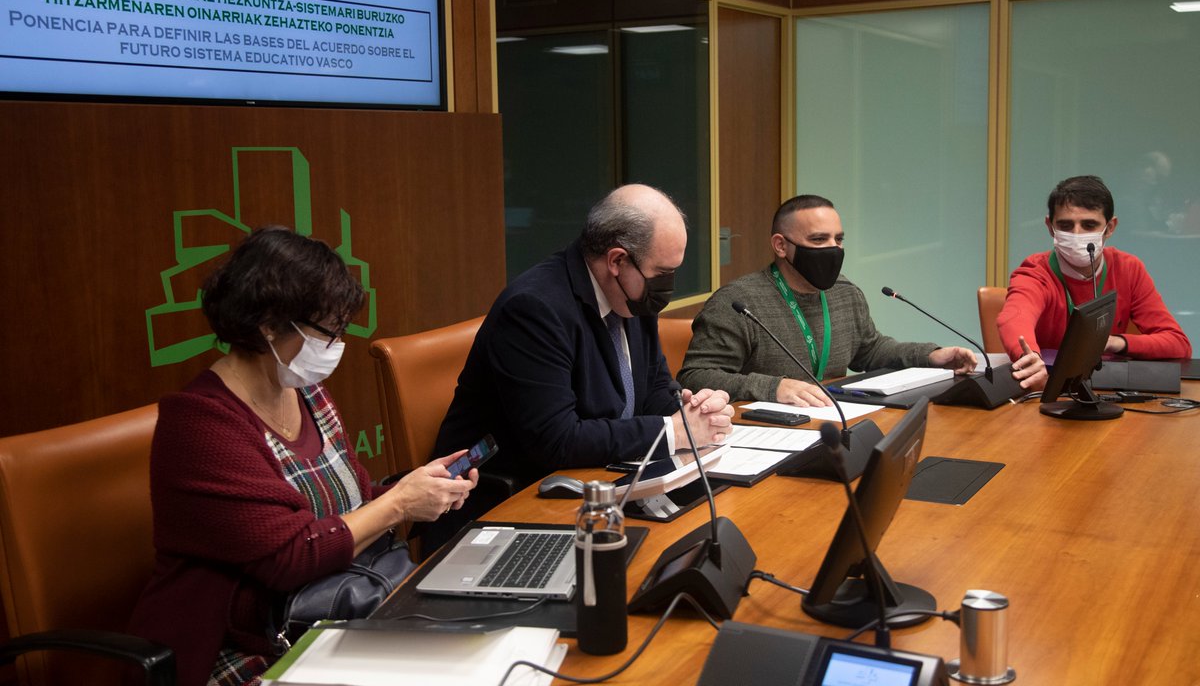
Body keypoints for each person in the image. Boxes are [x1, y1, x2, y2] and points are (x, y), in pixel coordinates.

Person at [128, 227, 478, 686]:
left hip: (328, 608)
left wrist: (415, 492)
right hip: (241, 642)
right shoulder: (201, 425)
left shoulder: (307, 392)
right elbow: (289, 558)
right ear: (268, 324)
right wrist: (396, 505)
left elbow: (348, 510)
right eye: (325, 331)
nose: (335, 345)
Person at [433, 185, 734, 530]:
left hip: (601, 484)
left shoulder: (632, 297)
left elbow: (653, 387)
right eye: (662, 274)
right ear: (618, 261)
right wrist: (674, 433)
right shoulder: (535, 309)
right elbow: (556, 440)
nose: (668, 286)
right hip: (510, 504)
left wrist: (694, 412)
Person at [678, 195, 976, 406]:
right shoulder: (737, 303)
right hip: (761, 432)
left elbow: (869, 350)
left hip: (832, 422)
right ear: (781, 246)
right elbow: (696, 376)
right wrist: (773, 387)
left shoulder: (844, 292)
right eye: (819, 240)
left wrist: (931, 356)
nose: (834, 249)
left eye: (839, 239)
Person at [998, 175, 1191, 391]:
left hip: (1106, 390)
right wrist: (1030, 357)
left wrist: (1114, 342)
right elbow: (1013, 319)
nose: (1077, 234)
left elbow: (1177, 344)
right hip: (1047, 389)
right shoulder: (1034, 271)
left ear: (1109, 228)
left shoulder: (1128, 268)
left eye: (1089, 225)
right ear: (1050, 227)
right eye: (1065, 225)